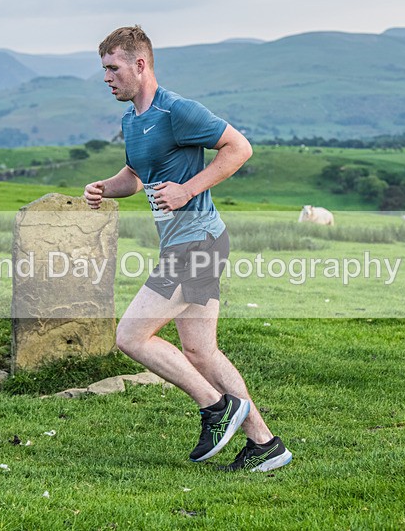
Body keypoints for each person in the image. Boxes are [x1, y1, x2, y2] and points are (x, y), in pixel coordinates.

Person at [84, 25, 291, 472]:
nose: (106, 77)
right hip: (187, 244)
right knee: (201, 351)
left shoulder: (177, 110)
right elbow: (135, 176)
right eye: (104, 69)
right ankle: (265, 444)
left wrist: (187, 190)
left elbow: (239, 148)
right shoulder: (132, 121)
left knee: (131, 336)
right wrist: (105, 187)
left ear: (140, 64)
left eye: (112, 68)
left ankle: (215, 408)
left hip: (197, 242)